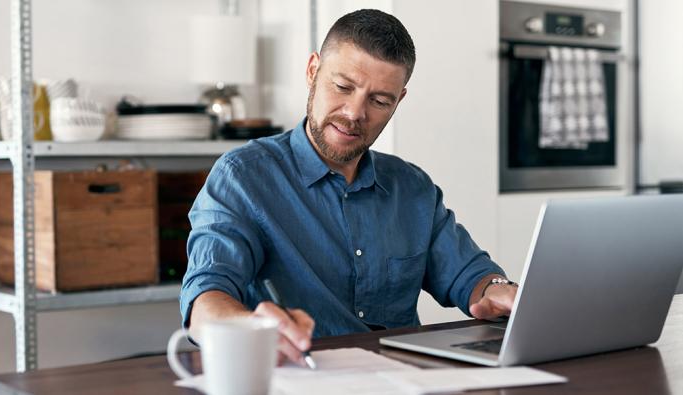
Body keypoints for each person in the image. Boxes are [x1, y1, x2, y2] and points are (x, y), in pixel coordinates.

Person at [179, 9, 518, 366]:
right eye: (343, 87)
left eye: (379, 101)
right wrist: (247, 327)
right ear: (312, 71)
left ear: (398, 102)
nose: (355, 113)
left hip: (405, 381)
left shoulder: (412, 187)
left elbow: (470, 276)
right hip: (297, 378)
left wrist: (497, 290)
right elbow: (206, 296)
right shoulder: (243, 177)